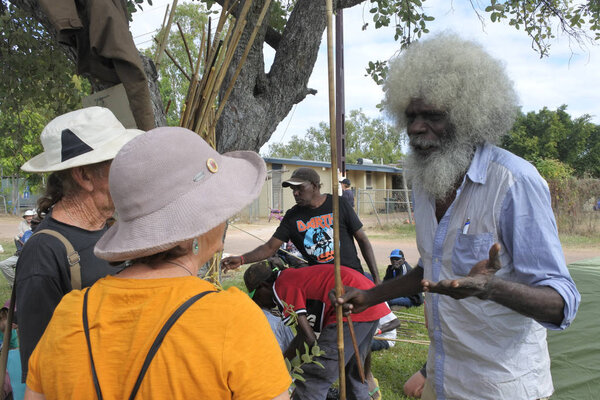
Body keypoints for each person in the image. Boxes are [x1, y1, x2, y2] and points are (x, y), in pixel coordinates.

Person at [332, 33, 580, 400]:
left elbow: (563, 303)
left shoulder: (514, 182)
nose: (416, 127)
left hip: (502, 388)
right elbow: (432, 269)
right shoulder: (424, 179)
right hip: (444, 380)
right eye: (411, 115)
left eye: (432, 115)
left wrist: (491, 289)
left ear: (469, 116)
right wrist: (372, 295)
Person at [24, 127, 291, 399]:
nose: (224, 219)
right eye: (218, 207)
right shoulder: (233, 320)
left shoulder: (70, 314)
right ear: (195, 230)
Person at [15, 107, 143, 382]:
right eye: (119, 163)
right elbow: (43, 373)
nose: (131, 173)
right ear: (84, 176)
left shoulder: (110, 230)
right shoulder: (44, 254)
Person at [244, 262, 389, 400]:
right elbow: (303, 336)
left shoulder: (281, 286)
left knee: (313, 379)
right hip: (366, 302)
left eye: (254, 296)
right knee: (353, 372)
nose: (257, 302)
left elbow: (308, 338)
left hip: (352, 307)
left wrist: (281, 366)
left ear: (263, 286)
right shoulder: (289, 277)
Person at [222, 167, 381, 283]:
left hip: (352, 277)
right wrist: (242, 259)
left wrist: (375, 278)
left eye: (300, 188)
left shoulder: (338, 204)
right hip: (322, 283)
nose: (295, 193)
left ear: (314, 186)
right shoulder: (292, 217)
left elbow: (362, 240)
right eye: (293, 189)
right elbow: (270, 248)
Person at [246, 260, 295, 352]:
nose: (279, 293)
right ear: (263, 286)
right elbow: (294, 356)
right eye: (275, 288)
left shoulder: (242, 313)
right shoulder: (276, 323)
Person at [0, 216, 41, 287]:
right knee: (3, 264)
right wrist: (19, 250)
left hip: (35, 258)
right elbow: (20, 243)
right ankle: (16, 285)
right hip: (22, 256)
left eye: (35, 224)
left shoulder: (43, 234)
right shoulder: (27, 233)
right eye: (32, 223)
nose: (32, 225)